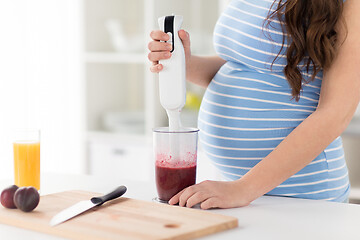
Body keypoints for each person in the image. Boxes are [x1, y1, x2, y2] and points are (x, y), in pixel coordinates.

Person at [148, 0, 360, 209]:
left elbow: (335, 115)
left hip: (304, 198)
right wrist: (184, 63)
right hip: (242, 191)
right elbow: (243, 65)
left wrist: (243, 189)